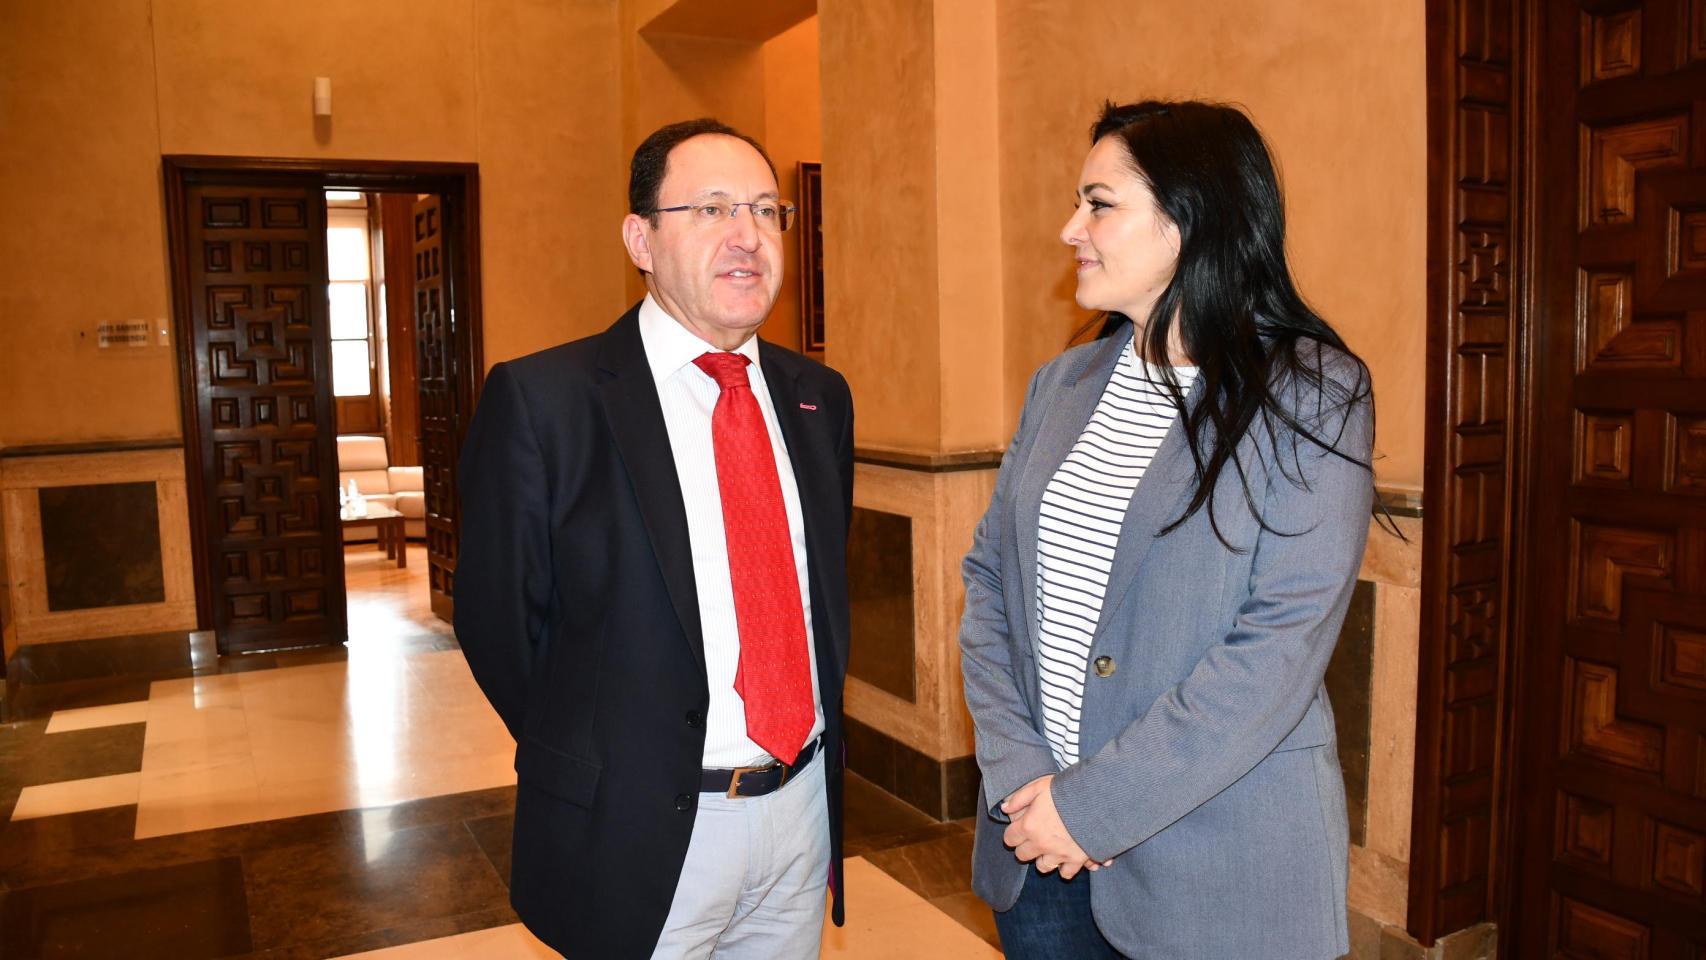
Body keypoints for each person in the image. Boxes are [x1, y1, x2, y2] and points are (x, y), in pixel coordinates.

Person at [958, 99, 1375, 959]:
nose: (1071, 227)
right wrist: (1023, 777)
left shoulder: (1312, 393)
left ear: (1189, 219)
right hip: (1036, 852)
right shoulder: (1061, 384)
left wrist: (1093, 807)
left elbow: (1277, 649)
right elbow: (990, 583)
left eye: (1099, 203)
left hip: (1218, 867)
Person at [455, 118, 854, 960]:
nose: (748, 236)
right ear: (641, 238)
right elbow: (497, 625)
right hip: (640, 829)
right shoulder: (546, 401)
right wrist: (602, 758)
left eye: (765, 210)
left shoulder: (819, 399)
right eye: (710, 210)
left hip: (801, 810)